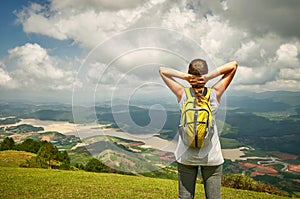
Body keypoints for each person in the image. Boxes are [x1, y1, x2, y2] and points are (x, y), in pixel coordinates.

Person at [159, 59, 238, 199]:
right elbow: (233, 65)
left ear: (189, 73)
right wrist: (208, 78)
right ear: (205, 73)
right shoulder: (214, 93)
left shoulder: (183, 94)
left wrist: (185, 77)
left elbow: (162, 70)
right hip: (211, 158)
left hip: (186, 157)